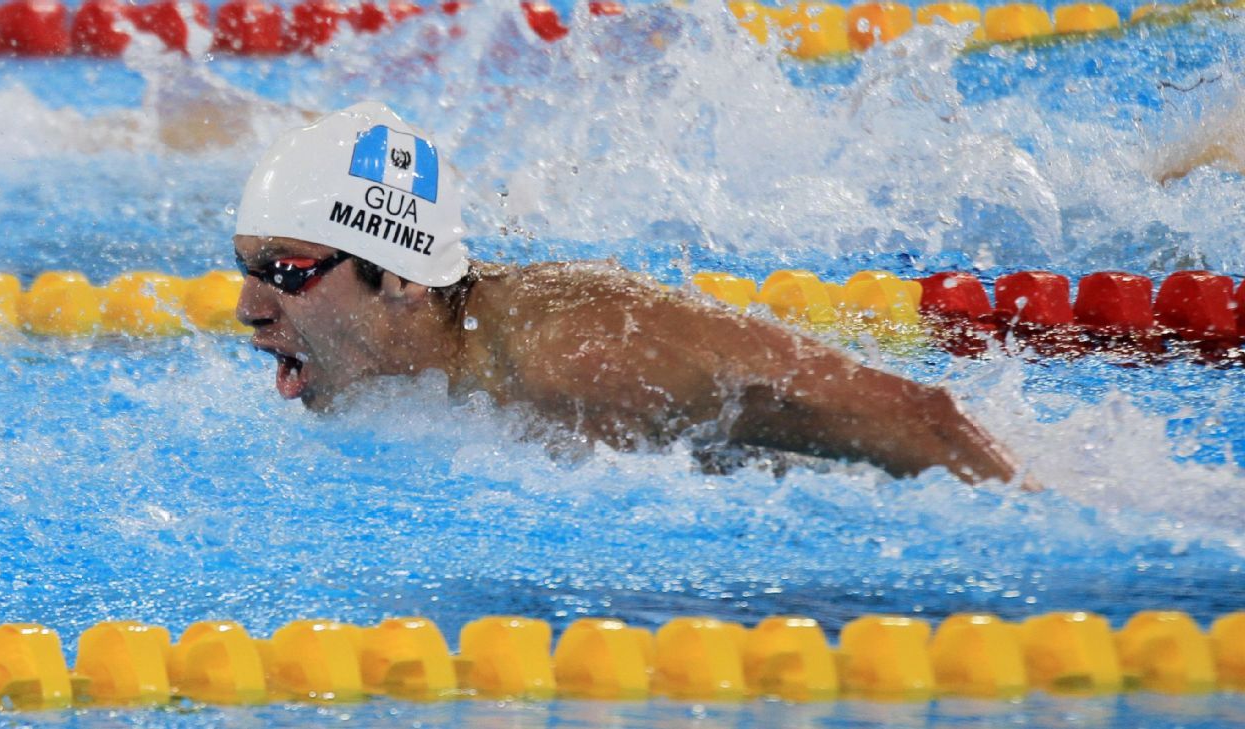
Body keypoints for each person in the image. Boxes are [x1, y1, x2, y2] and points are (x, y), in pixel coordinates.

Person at [234, 102, 1026, 487]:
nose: (249, 307)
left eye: (288, 270)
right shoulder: (426, 381)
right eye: (246, 267)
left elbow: (924, 419)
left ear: (401, 275)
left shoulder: (585, 354)